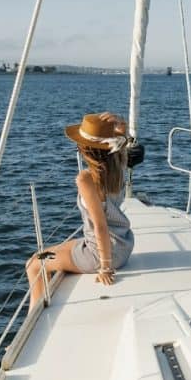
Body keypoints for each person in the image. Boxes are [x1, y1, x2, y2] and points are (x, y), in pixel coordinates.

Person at [26, 111, 134, 309]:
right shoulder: (117, 165)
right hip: (124, 244)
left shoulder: (86, 179)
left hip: (100, 253)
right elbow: (123, 146)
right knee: (58, 248)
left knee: (35, 263)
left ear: (83, 148)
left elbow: (100, 226)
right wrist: (121, 127)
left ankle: (34, 314)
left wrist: (105, 267)